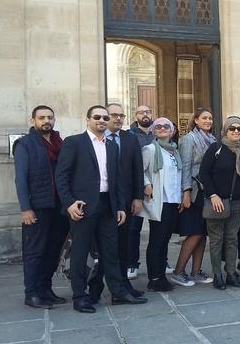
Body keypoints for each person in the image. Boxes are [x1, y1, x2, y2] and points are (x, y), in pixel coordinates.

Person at [55, 105, 147, 313]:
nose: (102, 120)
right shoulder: (74, 143)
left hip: (108, 206)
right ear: (87, 120)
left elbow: (117, 181)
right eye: (97, 117)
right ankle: (80, 296)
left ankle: (118, 292)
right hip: (83, 207)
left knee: (110, 252)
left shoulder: (112, 146)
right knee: (80, 252)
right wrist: (69, 203)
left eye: (105, 117)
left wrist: (121, 206)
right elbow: (61, 176)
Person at [14, 105, 70, 309]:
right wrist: (25, 208)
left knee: (53, 250)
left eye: (50, 117)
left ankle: (46, 290)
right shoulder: (25, 144)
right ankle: (32, 293)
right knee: (34, 251)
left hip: (59, 206)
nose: (46, 120)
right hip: (37, 206)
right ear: (33, 121)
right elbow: (20, 179)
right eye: (41, 117)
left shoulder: (60, 142)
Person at [88, 103, 145, 303]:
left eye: (121, 115)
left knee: (123, 245)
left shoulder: (130, 139)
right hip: (102, 202)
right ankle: (95, 287)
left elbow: (138, 169)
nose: (118, 119)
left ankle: (123, 284)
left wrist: (138, 197)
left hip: (126, 202)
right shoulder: (92, 141)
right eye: (113, 115)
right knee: (104, 248)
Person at [199, 116, 240, 290]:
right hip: (218, 202)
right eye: (232, 128)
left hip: (237, 202)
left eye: (239, 128)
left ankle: (230, 272)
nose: (236, 131)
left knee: (232, 239)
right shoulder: (215, 149)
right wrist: (213, 195)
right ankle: (217, 275)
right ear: (225, 130)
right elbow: (204, 173)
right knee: (216, 240)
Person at [172, 108, 215, 286]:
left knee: (203, 233)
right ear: (196, 120)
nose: (208, 121)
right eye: (204, 118)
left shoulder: (212, 139)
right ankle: (178, 271)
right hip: (194, 191)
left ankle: (196, 271)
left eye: (210, 118)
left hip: (207, 191)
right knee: (194, 233)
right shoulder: (188, 139)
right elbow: (185, 166)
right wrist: (186, 192)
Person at [140, 117, 182, 292]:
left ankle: (161, 275)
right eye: (158, 126)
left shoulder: (174, 151)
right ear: (153, 131)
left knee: (164, 240)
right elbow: (140, 170)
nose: (162, 128)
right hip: (159, 201)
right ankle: (154, 278)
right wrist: (146, 183)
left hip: (172, 201)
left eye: (166, 126)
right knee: (156, 241)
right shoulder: (150, 149)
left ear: (172, 131)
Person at [126, 105, 155, 280]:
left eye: (148, 112)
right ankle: (131, 264)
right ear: (136, 116)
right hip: (136, 187)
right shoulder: (129, 136)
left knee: (159, 228)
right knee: (133, 228)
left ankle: (161, 261)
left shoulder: (158, 133)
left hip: (157, 188)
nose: (145, 115)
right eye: (142, 112)